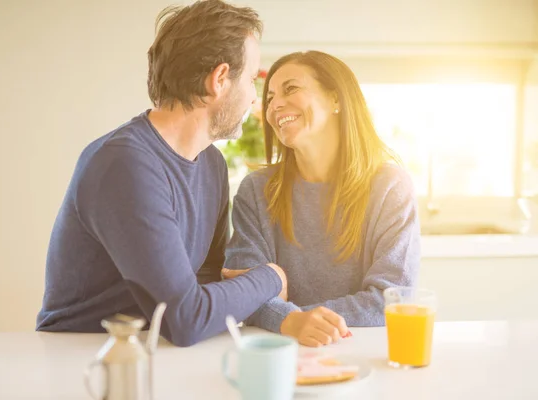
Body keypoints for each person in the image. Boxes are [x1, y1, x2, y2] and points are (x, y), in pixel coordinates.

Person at [36, 0, 289, 347]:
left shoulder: (211, 164)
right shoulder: (123, 164)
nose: (252, 99)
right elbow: (185, 319)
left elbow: (206, 280)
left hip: (156, 352)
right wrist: (270, 277)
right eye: (250, 80)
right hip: (86, 360)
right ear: (219, 80)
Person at [223, 51, 420, 347]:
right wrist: (291, 322)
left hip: (361, 350)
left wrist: (288, 317)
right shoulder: (255, 191)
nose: (275, 104)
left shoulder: (391, 187)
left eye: (291, 89)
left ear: (336, 99)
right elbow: (244, 294)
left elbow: (389, 300)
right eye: (270, 96)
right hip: (280, 352)